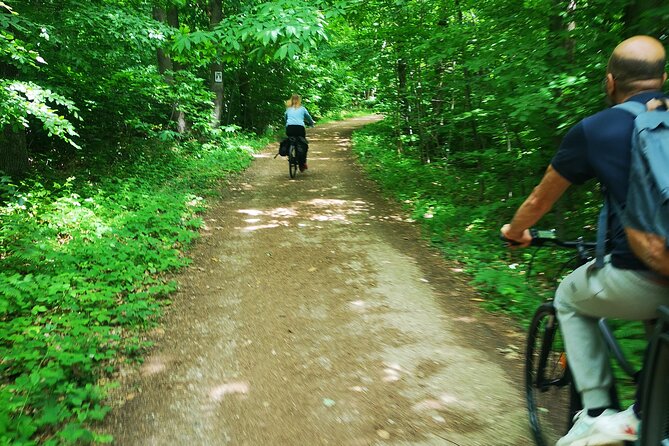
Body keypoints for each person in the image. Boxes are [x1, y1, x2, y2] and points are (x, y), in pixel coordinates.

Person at [501, 35, 669, 446]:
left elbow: (540, 199)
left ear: (610, 83)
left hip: (641, 275)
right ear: (663, 79)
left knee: (569, 297)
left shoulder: (596, 129)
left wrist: (515, 231)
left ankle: (596, 413)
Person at [284, 94, 315, 172]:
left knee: (290, 140)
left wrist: (287, 124)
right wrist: (311, 123)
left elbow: (285, 118)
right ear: (299, 100)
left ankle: (290, 154)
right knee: (303, 144)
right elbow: (308, 117)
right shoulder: (302, 109)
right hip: (300, 128)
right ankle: (302, 163)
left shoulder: (288, 109)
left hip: (290, 128)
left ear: (291, 100)